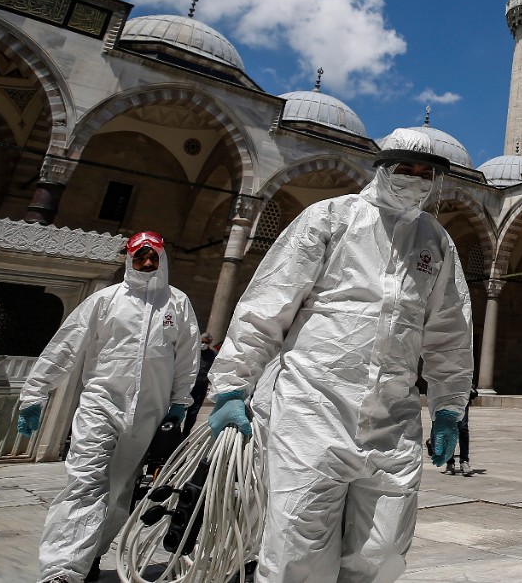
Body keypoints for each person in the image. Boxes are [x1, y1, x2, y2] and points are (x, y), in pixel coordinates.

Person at [207, 128, 474, 583]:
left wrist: (449, 407)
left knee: (384, 550)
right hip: (313, 409)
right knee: (297, 546)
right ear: (383, 168)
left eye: (425, 173)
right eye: (404, 169)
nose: (414, 179)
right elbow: (268, 305)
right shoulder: (330, 217)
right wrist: (233, 382)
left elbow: (449, 330)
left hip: (392, 419)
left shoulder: (435, 240)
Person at [17, 231, 200, 583]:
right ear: (128, 259)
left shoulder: (176, 303)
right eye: (139, 256)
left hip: (149, 411)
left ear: (163, 259)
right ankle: (62, 570)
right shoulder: (106, 300)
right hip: (101, 403)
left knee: (120, 489)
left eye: (153, 257)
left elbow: (188, 358)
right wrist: (35, 392)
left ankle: (89, 558)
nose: (147, 263)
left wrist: (180, 401)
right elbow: (66, 346)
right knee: (85, 482)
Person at [183, 334, 217, 435]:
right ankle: (173, 433)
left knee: (193, 412)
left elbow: (213, 370)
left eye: (206, 342)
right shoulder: (193, 352)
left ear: (209, 343)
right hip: (188, 385)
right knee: (181, 408)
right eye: (202, 342)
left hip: (201, 386)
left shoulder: (212, 355)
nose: (203, 344)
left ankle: (185, 435)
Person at [446, 386, 480, 476]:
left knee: (463, 427)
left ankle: (464, 461)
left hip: (462, 394)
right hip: (447, 394)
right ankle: (450, 462)